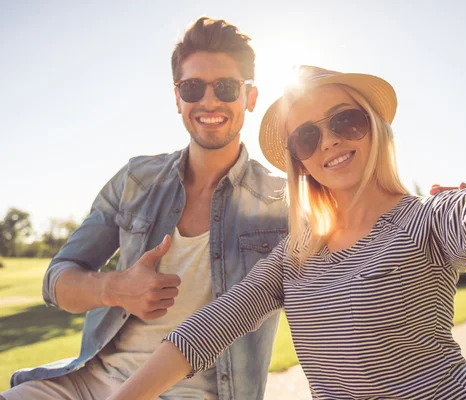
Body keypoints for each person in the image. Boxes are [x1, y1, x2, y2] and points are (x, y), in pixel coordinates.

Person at [107, 65, 466, 400]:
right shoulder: (294, 257)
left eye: (345, 120)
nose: (331, 140)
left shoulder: (428, 220)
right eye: (307, 135)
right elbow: (206, 330)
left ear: (376, 126)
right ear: (300, 158)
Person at [1, 17, 290, 400]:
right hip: (88, 381)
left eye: (225, 87)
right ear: (177, 98)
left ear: (249, 97)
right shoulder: (136, 179)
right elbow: (56, 281)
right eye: (192, 88)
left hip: (195, 392)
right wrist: (115, 288)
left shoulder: (282, 201)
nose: (208, 101)